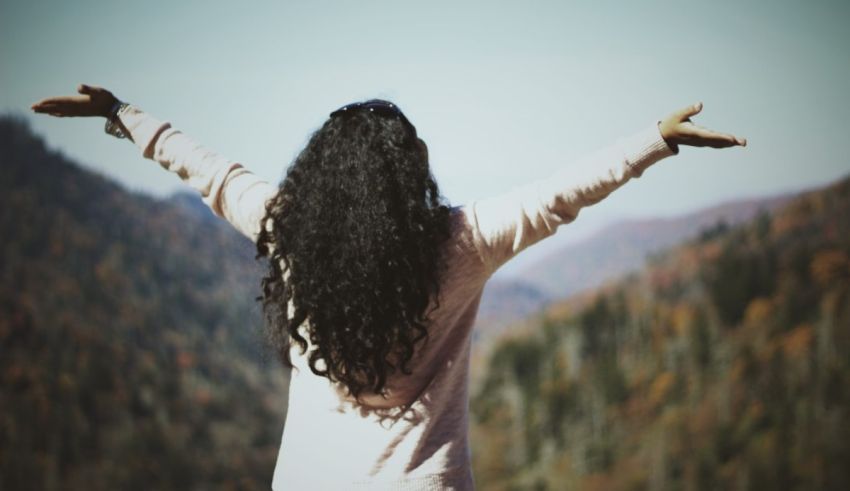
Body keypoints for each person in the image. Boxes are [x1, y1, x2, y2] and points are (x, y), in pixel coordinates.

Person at [31, 84, 746, 490]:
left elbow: (208, 172)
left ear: (323, 172)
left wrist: (121, 115)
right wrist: (657, 137)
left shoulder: (288, 226)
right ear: (411, 172)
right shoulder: (463, 239)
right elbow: (561, 195)